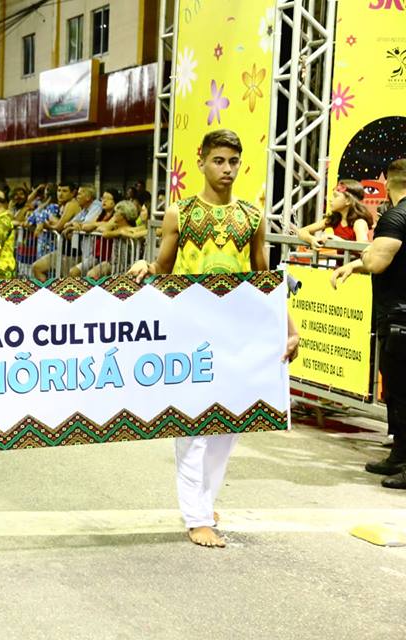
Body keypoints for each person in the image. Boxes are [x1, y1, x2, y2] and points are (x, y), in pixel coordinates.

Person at [127, 129, 299, 547]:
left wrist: (290, 329)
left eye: (233, 161)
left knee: (228, 423)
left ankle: (203, 501)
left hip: (236, 337)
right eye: (219, 160)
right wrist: (145, 267)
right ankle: (196, 515)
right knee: (193, 426)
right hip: (189, 336)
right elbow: (164, 268)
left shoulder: (252, 217)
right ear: (200, 160)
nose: (227, 169)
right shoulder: (180, 214)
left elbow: (263, 282)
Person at [332, 159, 406, 489]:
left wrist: (363, 258)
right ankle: (399, 456)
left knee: (402, 394)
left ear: (388, 183)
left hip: (399, 317)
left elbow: (377, 261)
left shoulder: (396, 216)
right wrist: (355, 265)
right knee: (398, 395)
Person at [298, 180, 372, 248]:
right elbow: (302, 231)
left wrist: (339, 241)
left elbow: (364, 248)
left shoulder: (359, 223)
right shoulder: (334, 219)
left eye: (335, 196)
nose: (330, 199)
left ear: (348, 201)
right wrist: (312, 239)